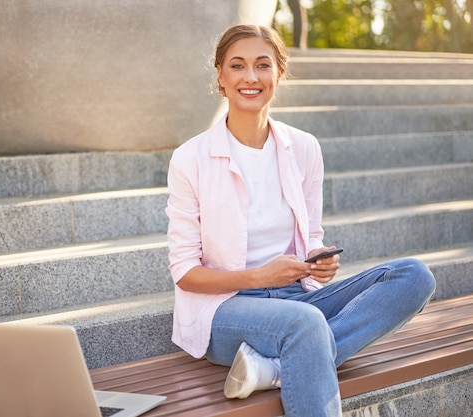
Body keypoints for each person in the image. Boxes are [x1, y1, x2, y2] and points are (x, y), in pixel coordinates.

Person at [165, 24, 436, 417]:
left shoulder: (303, 147)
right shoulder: (191, 158)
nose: (251, 77)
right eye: (238, 66)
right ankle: (295, 355)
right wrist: (260, 277)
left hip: (297, 297)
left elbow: (310, 233)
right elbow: (185, 273)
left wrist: (317, 257)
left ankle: (271, 368)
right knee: (304, 324)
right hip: (225, 310)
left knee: (414, 276)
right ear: (221, 76)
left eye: (263, 65)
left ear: (279, 73)